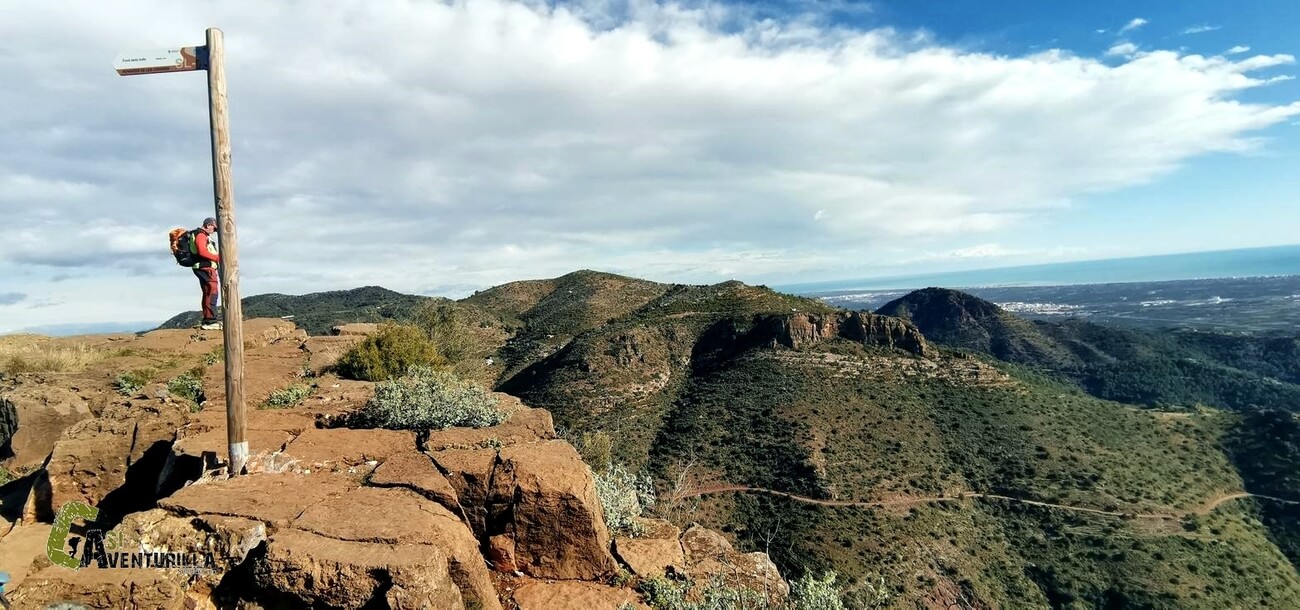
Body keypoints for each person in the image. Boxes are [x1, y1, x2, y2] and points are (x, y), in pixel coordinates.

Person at [192, 217, 222, 330]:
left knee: (207, 292)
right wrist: (218, 258)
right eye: (214, 228)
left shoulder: (201, 235)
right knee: (212, 291)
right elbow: (202, 251)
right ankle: (210, 321)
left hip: (203, 267)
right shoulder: (201, 235)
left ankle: (208, 319)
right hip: (205, 267)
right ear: (208, 225)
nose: (214, 231)